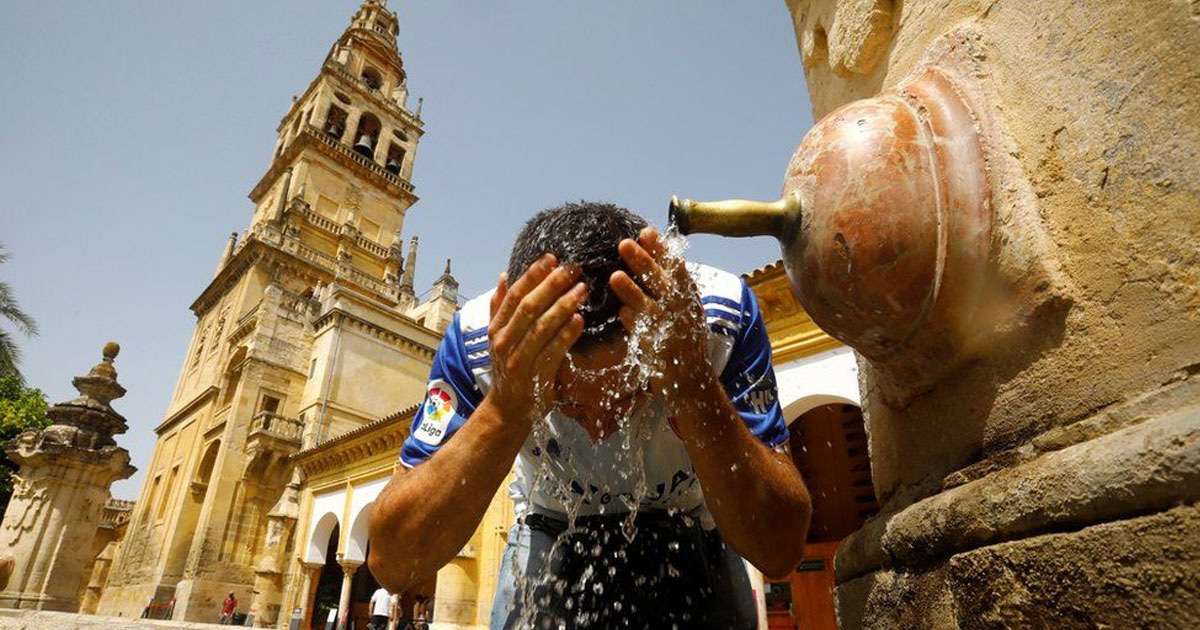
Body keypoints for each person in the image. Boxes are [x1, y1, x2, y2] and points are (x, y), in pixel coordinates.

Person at [369, 202, 812, 629]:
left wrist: (694, 387)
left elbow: (779, 550)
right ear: (521, 350)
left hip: (693, 525)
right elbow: (393, 562)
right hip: (548, 526)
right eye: (567, 401)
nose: (602, 426)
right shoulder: (482, 343)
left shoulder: (716, 322)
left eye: (631, 393)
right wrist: (504, 409)